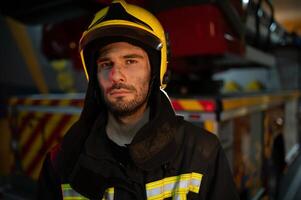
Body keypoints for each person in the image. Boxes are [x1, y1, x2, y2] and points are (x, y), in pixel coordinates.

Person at [37, 0, 240, 199]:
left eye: (130, 61)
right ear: (95, 76)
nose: (116, 75)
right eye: (106, 64)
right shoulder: (61, 163)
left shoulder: (202, 153)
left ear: (155, 70)